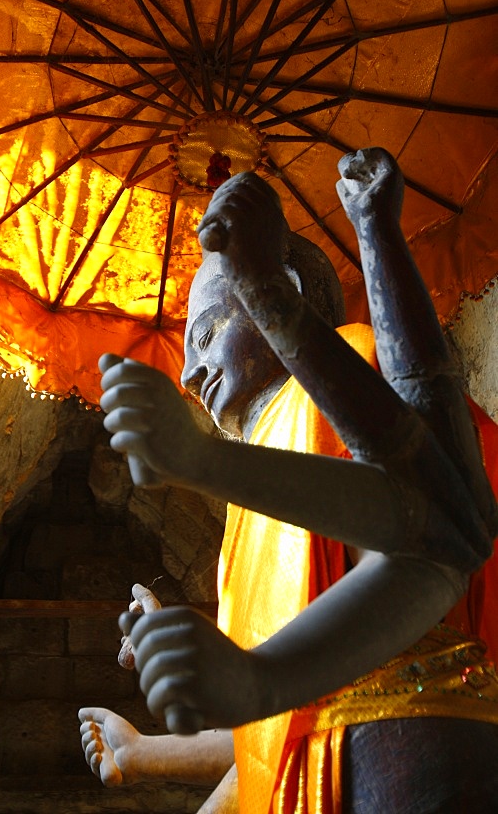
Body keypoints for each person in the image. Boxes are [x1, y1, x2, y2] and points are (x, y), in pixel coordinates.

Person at [80, 149, 498, 812]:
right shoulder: (255, 493)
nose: (190, 374)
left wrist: (198, 457)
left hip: (409, 753)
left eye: (210, 330)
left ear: (284, 294)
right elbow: (275, 739)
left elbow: (429, 532)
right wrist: (147, 750)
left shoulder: (348, 367)